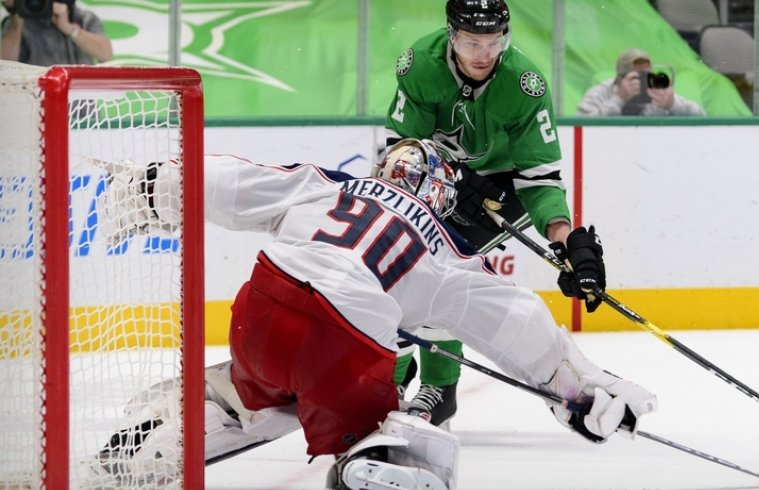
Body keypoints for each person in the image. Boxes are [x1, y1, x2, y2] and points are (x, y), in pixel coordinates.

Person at [93, 139, 657, 490]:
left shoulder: (327, 186)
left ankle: (153, 442)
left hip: (259, 313)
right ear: (437, 191)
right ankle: (379, 463)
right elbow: (511, 317)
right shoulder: (445, 246)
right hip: (343, 344)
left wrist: (151, 188)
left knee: (260, 396)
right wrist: (577, 389)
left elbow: (234, 182)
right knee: (411, 450)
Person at [385, 0, 606, 431]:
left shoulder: (524, 86)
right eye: (472, 42)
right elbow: (402, 152)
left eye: (494, 41)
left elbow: (540, 180)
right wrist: (448, 179)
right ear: (451, 36)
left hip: (501, 191)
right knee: (395, 273)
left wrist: (567, 239)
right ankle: (387, 378)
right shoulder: (419, 66)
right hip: (431, 175)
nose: (484, 53)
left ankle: (440, 390)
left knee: (443, 276)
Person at [577, 48, 706, 116]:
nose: (642, 83)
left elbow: (701, 118)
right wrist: (618, 99)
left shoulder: (655, 93)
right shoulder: (601, 93)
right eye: (636, 77)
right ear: (620, 78)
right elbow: (580, 126)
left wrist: (673, 104)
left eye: (647, 76)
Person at [1, 0, 112, 65]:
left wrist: (69, 29)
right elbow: (5, 64)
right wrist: (18, 11)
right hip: (37, 100)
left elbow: (106, 54)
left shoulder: (85, 19)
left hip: (80, 100)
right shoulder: (16, 23)